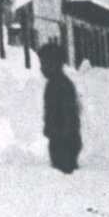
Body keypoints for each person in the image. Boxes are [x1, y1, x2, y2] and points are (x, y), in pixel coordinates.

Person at [39, 40, 81, 175]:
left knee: (64, 177)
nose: (42, 68)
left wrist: (59, 134)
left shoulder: (61, 85)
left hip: (64, 143)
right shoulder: (54, 84)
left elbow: (68, 116)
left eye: (45, 63)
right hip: (60, 141)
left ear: (56, 63)